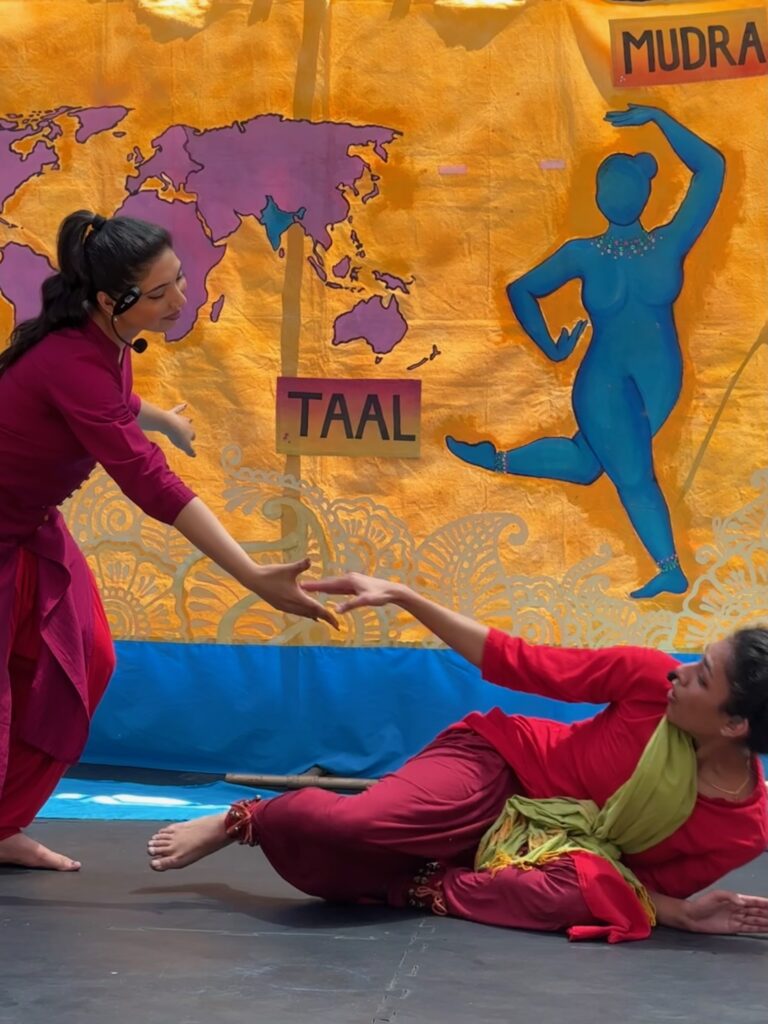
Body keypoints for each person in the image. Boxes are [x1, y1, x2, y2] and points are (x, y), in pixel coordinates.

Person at [147, 572, 768, 943]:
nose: (680, 672)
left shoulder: (743, 827)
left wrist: (682, 914)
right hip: (494, 769)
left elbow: (632, 886)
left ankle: (416, 885)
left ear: (735, 724)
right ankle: (248, 818)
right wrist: (406, 596)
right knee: (354, 827)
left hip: (549, 854)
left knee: (589, 897)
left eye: (702, 676)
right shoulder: (647, 678)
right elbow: (515, 660)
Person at [0, 210, 336, 872]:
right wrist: (251, 575)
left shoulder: (99, 339)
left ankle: (3, 820)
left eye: (178, 279)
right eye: (160, 294)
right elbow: (151, 486)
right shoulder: (71, 359)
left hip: (29, 526)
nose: (180, 299)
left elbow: (106, 397)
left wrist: (158, 417)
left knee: (84, 662)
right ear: (109, 300)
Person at [446, 105, 725, 600]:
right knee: (633, 471)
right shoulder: (583, 253)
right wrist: (552, 348)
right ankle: (670, 569)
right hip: (603, 381)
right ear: (598, 199)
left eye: (624, 187)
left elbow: (712, 168)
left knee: (586, 462)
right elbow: (522, 290)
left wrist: (660, 119)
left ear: (643, 194)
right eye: (607, 189)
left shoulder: (669, 242)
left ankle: (499, 461)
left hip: (659, 382)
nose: (615, 196)